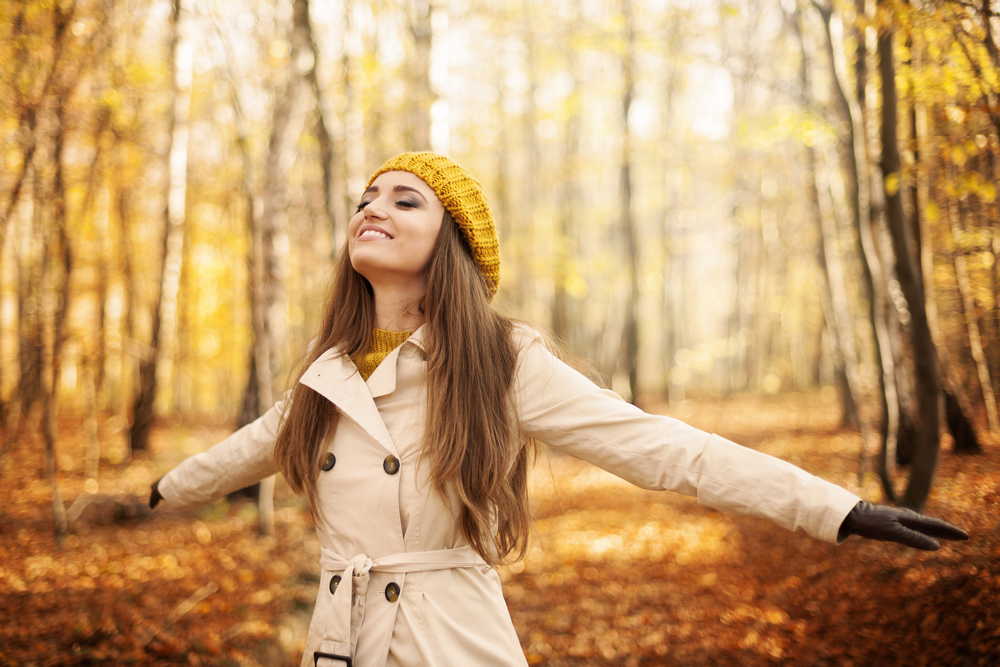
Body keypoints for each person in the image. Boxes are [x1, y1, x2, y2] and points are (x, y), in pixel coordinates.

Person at [148, 151, 968, 667]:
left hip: (448, 640)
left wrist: (838, 508)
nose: (374, 207)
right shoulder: (325, 374)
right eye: (367, 196)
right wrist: (152, 494)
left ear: (453, 245)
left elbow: (663, 447)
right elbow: (243, 453)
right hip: (337, 636)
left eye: (406, 200)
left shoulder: (499, 364)